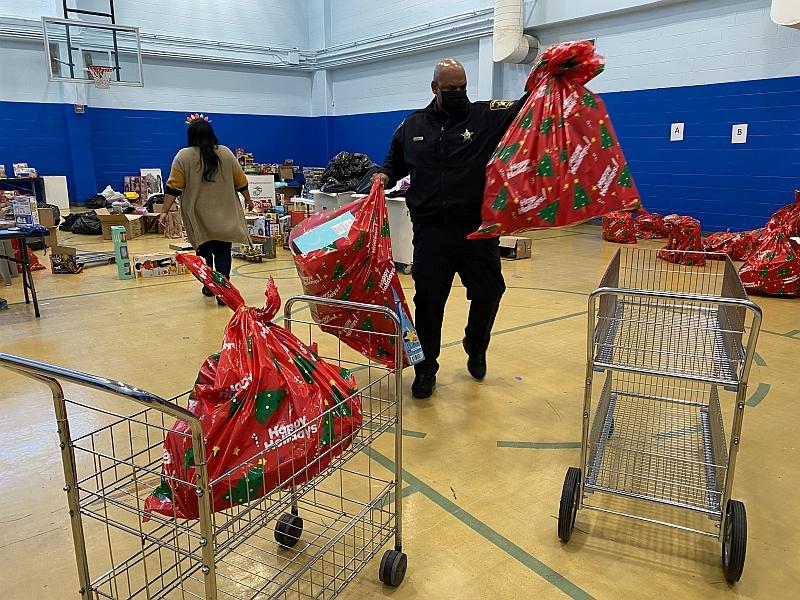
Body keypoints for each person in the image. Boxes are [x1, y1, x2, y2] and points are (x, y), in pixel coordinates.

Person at [375, 58, 526, 399]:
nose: (458, 94)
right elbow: (393, 164)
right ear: (434, 89)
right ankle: (426, 368)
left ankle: (476, 344)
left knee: (490, 291)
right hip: (431, 232)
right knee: (428, 303)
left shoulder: (485, 116)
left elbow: (526, 106)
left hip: (476, 229)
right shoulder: (411, 125)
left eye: (462, 88)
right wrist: (383, 176)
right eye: (450, 89)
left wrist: (546, 74)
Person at [161, 114, 253, 304]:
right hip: (225, 213)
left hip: (197, 215)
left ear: (190, 135)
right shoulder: (226, 153)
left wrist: (164, 210)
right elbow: (240, 181)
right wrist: (248, 199)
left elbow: (173, 187)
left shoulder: (183, 156)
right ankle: (223, 292)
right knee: (223, 251)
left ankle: (210, 287)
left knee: (203, 253)